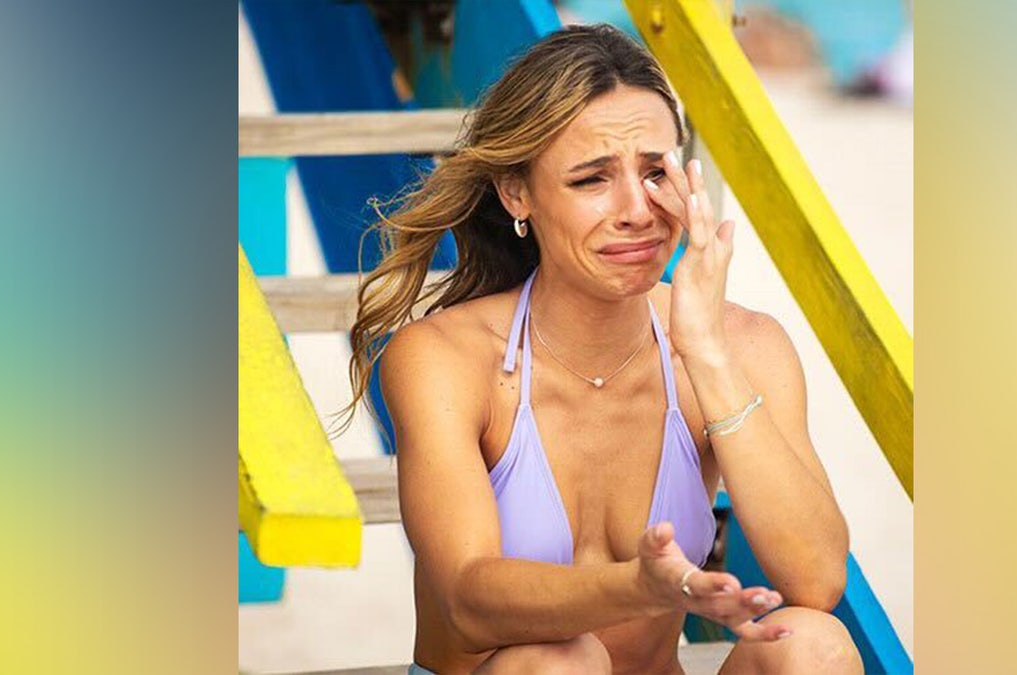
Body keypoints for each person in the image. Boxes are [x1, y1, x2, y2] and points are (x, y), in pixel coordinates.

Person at [343, 23, 861, 674]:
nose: (638, 210)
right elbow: (466, 600)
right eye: (592, 179)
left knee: (814, 646)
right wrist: (635, 586)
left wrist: (705, 353)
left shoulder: (740, 345)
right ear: (517, 193)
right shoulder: (446, 357)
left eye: (655, 172)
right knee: (563, 660)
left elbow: (816, 581)